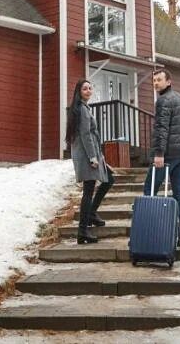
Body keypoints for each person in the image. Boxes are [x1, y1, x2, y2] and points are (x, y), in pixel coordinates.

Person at [143, 67, 180, 247]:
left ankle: (150, 232)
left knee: (149, 190)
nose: (156, 83)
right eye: (154, 80)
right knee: (179, 192)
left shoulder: (163, 101)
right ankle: (177, 234)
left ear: (168, 81)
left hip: (169, 154)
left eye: (159, 80)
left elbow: (162, 128)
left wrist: (159, 154)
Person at [66, 79, 114, 244]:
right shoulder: (82, 109)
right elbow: (86, 135)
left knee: (109, 179)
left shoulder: (83, 108)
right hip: (87, 155)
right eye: (85, 89)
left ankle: (91, 214)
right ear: (79, 92)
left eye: (90, 88)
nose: (88, 91)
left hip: (91, 153)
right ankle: (83, 231)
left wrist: (99, 156)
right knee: (88, 191)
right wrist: (93, 157)